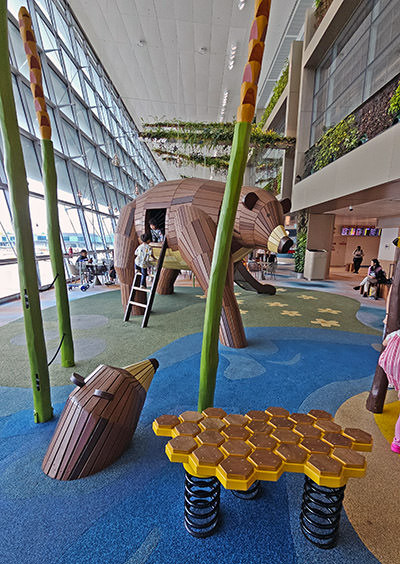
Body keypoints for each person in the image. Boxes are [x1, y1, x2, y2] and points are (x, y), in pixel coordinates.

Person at [378, 329, 400, 453]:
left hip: (391, 366)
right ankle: (397, 442)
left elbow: (385, 343)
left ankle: (397, 443)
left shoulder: (396, 333)